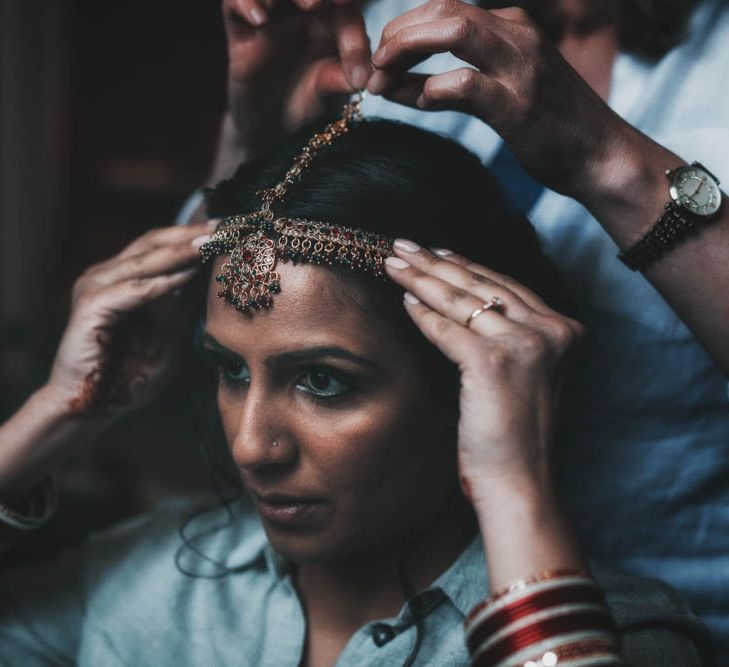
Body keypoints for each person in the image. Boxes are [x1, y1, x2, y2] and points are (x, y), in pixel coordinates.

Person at [0, 112, 712, 664]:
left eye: (321, 381)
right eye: (231, 369)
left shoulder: (628, 635)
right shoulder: (153, 579)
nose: (252, 446)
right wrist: (54, 417)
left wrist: (512, 481)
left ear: (465, 383)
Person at [196, 0, 729, 659]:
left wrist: (605, 157)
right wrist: (257, 145)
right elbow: (233, 300)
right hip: (374, 573)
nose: (252, 447)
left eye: (322, 380)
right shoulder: (395, 20)